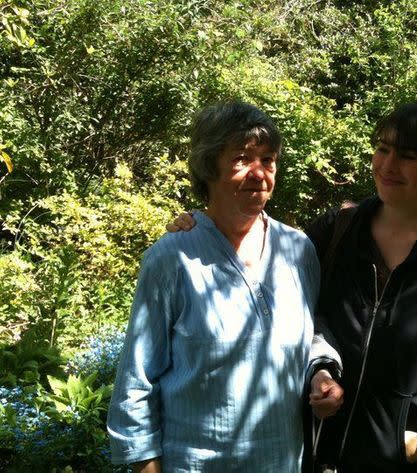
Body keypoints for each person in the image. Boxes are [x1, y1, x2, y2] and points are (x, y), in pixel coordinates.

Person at [168, 99, 417, 472]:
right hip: (317, 453)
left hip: (400, 463)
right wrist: (204, 225)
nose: (387, 165)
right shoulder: (338, 231)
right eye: (382, 149)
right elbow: (272, 285)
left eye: (408, 156)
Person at [107, 102, 321, 473]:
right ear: (209, 166)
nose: (259, 173)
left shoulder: (297, 249)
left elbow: (313, 334)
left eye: (268, 160)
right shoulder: (172, 258)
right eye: (242, 158)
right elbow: (136, 380)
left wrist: (323, 372)